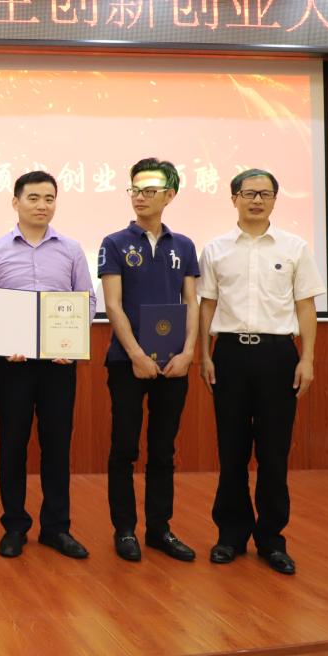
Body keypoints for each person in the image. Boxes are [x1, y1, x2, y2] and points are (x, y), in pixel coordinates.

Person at [199, 168, 323, 575]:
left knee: (273, 453)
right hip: (230, 355)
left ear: (274, 200)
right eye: (249, 193)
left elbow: (305, 305)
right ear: (234, 198)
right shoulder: (215, 249)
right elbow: (207, 305)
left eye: (265, 194)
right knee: (231, 450)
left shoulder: (294, 247)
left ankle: (271, 540)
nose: (257, 200)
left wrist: (307, 359)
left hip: (278, 356)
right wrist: (204, 356)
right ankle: (230, 536)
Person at [0, 170, 95, 560]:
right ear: (16, 202)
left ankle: (56, 528)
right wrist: (2, 338)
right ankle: (14, 526)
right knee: (13, 444)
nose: (42, 205)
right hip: (13, 363)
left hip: (59, 362)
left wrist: (72, 342)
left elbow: (87, 300)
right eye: (33, 198)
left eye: (49, 198)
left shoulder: (71, 250)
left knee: (57, 445)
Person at [97, 158, 199, 563]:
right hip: (127, 363)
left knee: (163, 450)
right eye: (135, 190)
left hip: (174, 365)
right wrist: (137, 355)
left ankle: (159, 529)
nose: (140, 197)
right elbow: (113, 305)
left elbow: (191, 302)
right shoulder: (114, 243)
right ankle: (124, 530)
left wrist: (189, 352)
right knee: (124, 448)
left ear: (169, 195)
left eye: (150, 191)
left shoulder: (184, 246)